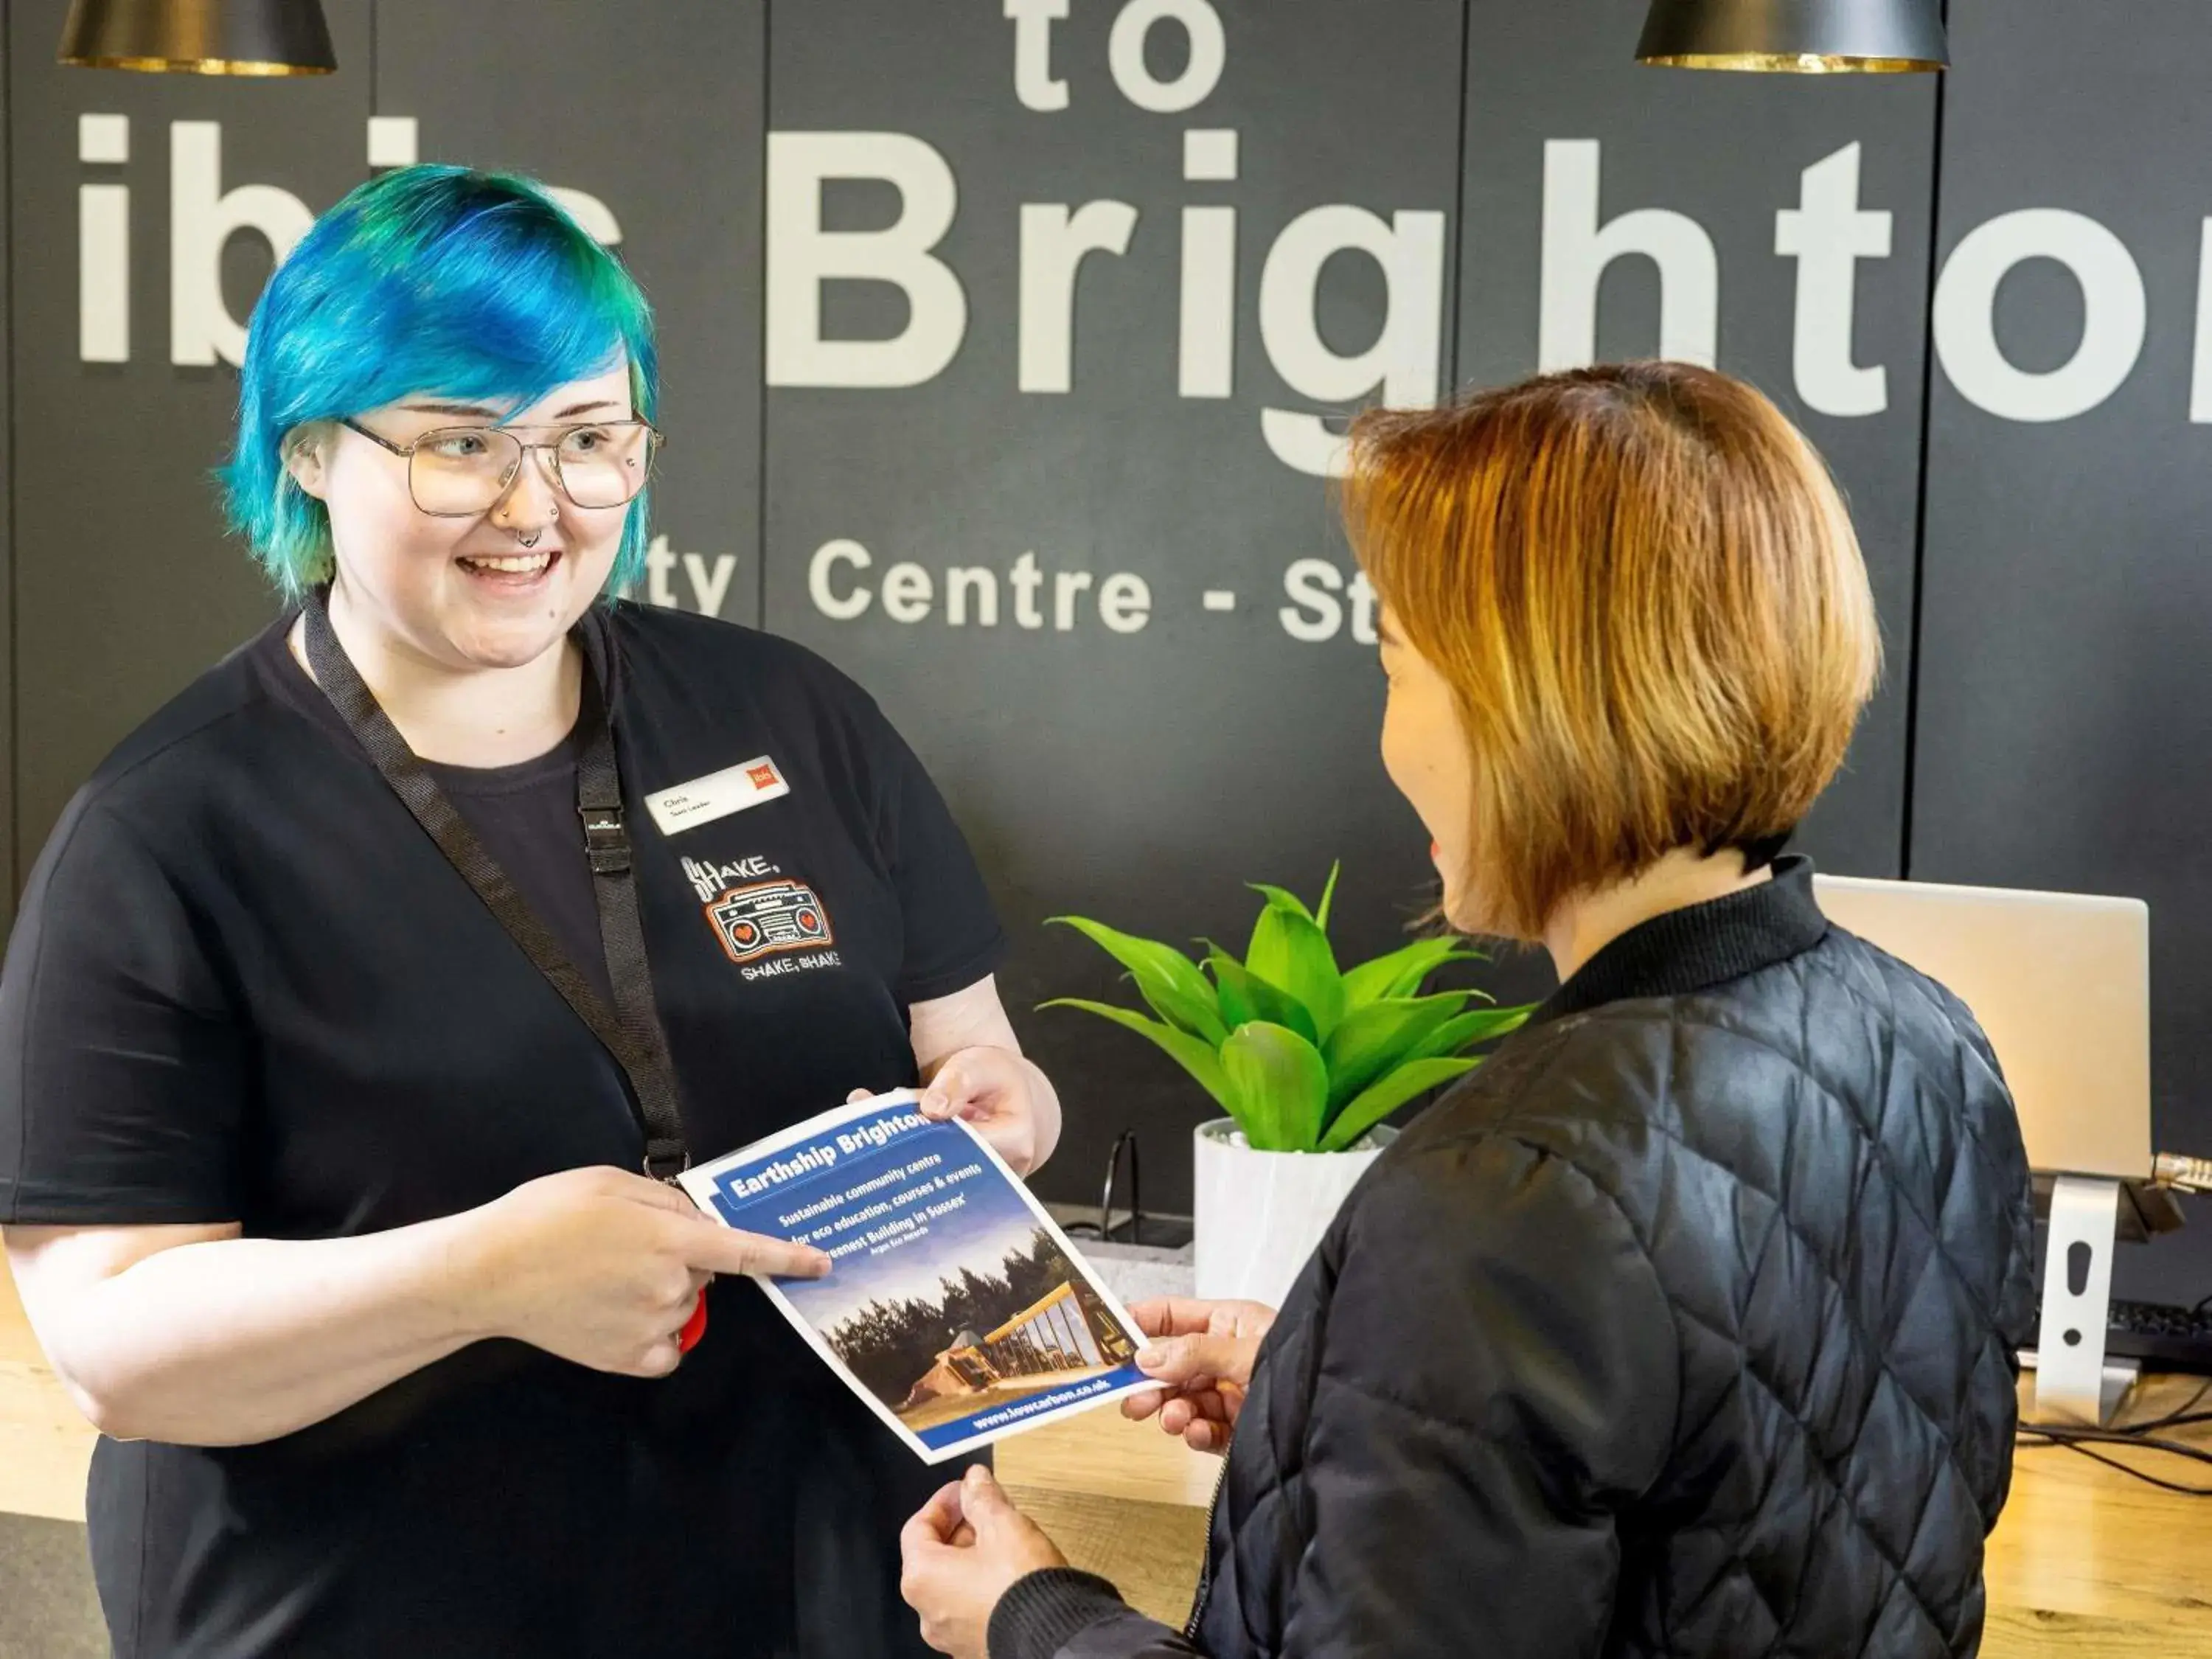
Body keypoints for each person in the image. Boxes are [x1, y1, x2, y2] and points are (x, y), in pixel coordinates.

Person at [0, 165, 1060, 1658]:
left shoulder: (792, 713)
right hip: (385, 1608)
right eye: (460, 445)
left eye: (586, 440)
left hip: (828, 1582)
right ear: (309, 449)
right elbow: (110, 1347)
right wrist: (478, 1276)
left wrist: (1003, 1113)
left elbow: (983, 1060)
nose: (533, 506)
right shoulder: (164, 834)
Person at [898, 362, 2037, 1659]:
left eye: (1398, 664)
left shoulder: (1507, 1195)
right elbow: (1733, 1487)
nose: (1387, 737)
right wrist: (1342, 1386)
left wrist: (1034, 1619)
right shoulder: (1929, 1038)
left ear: (1534, 700)